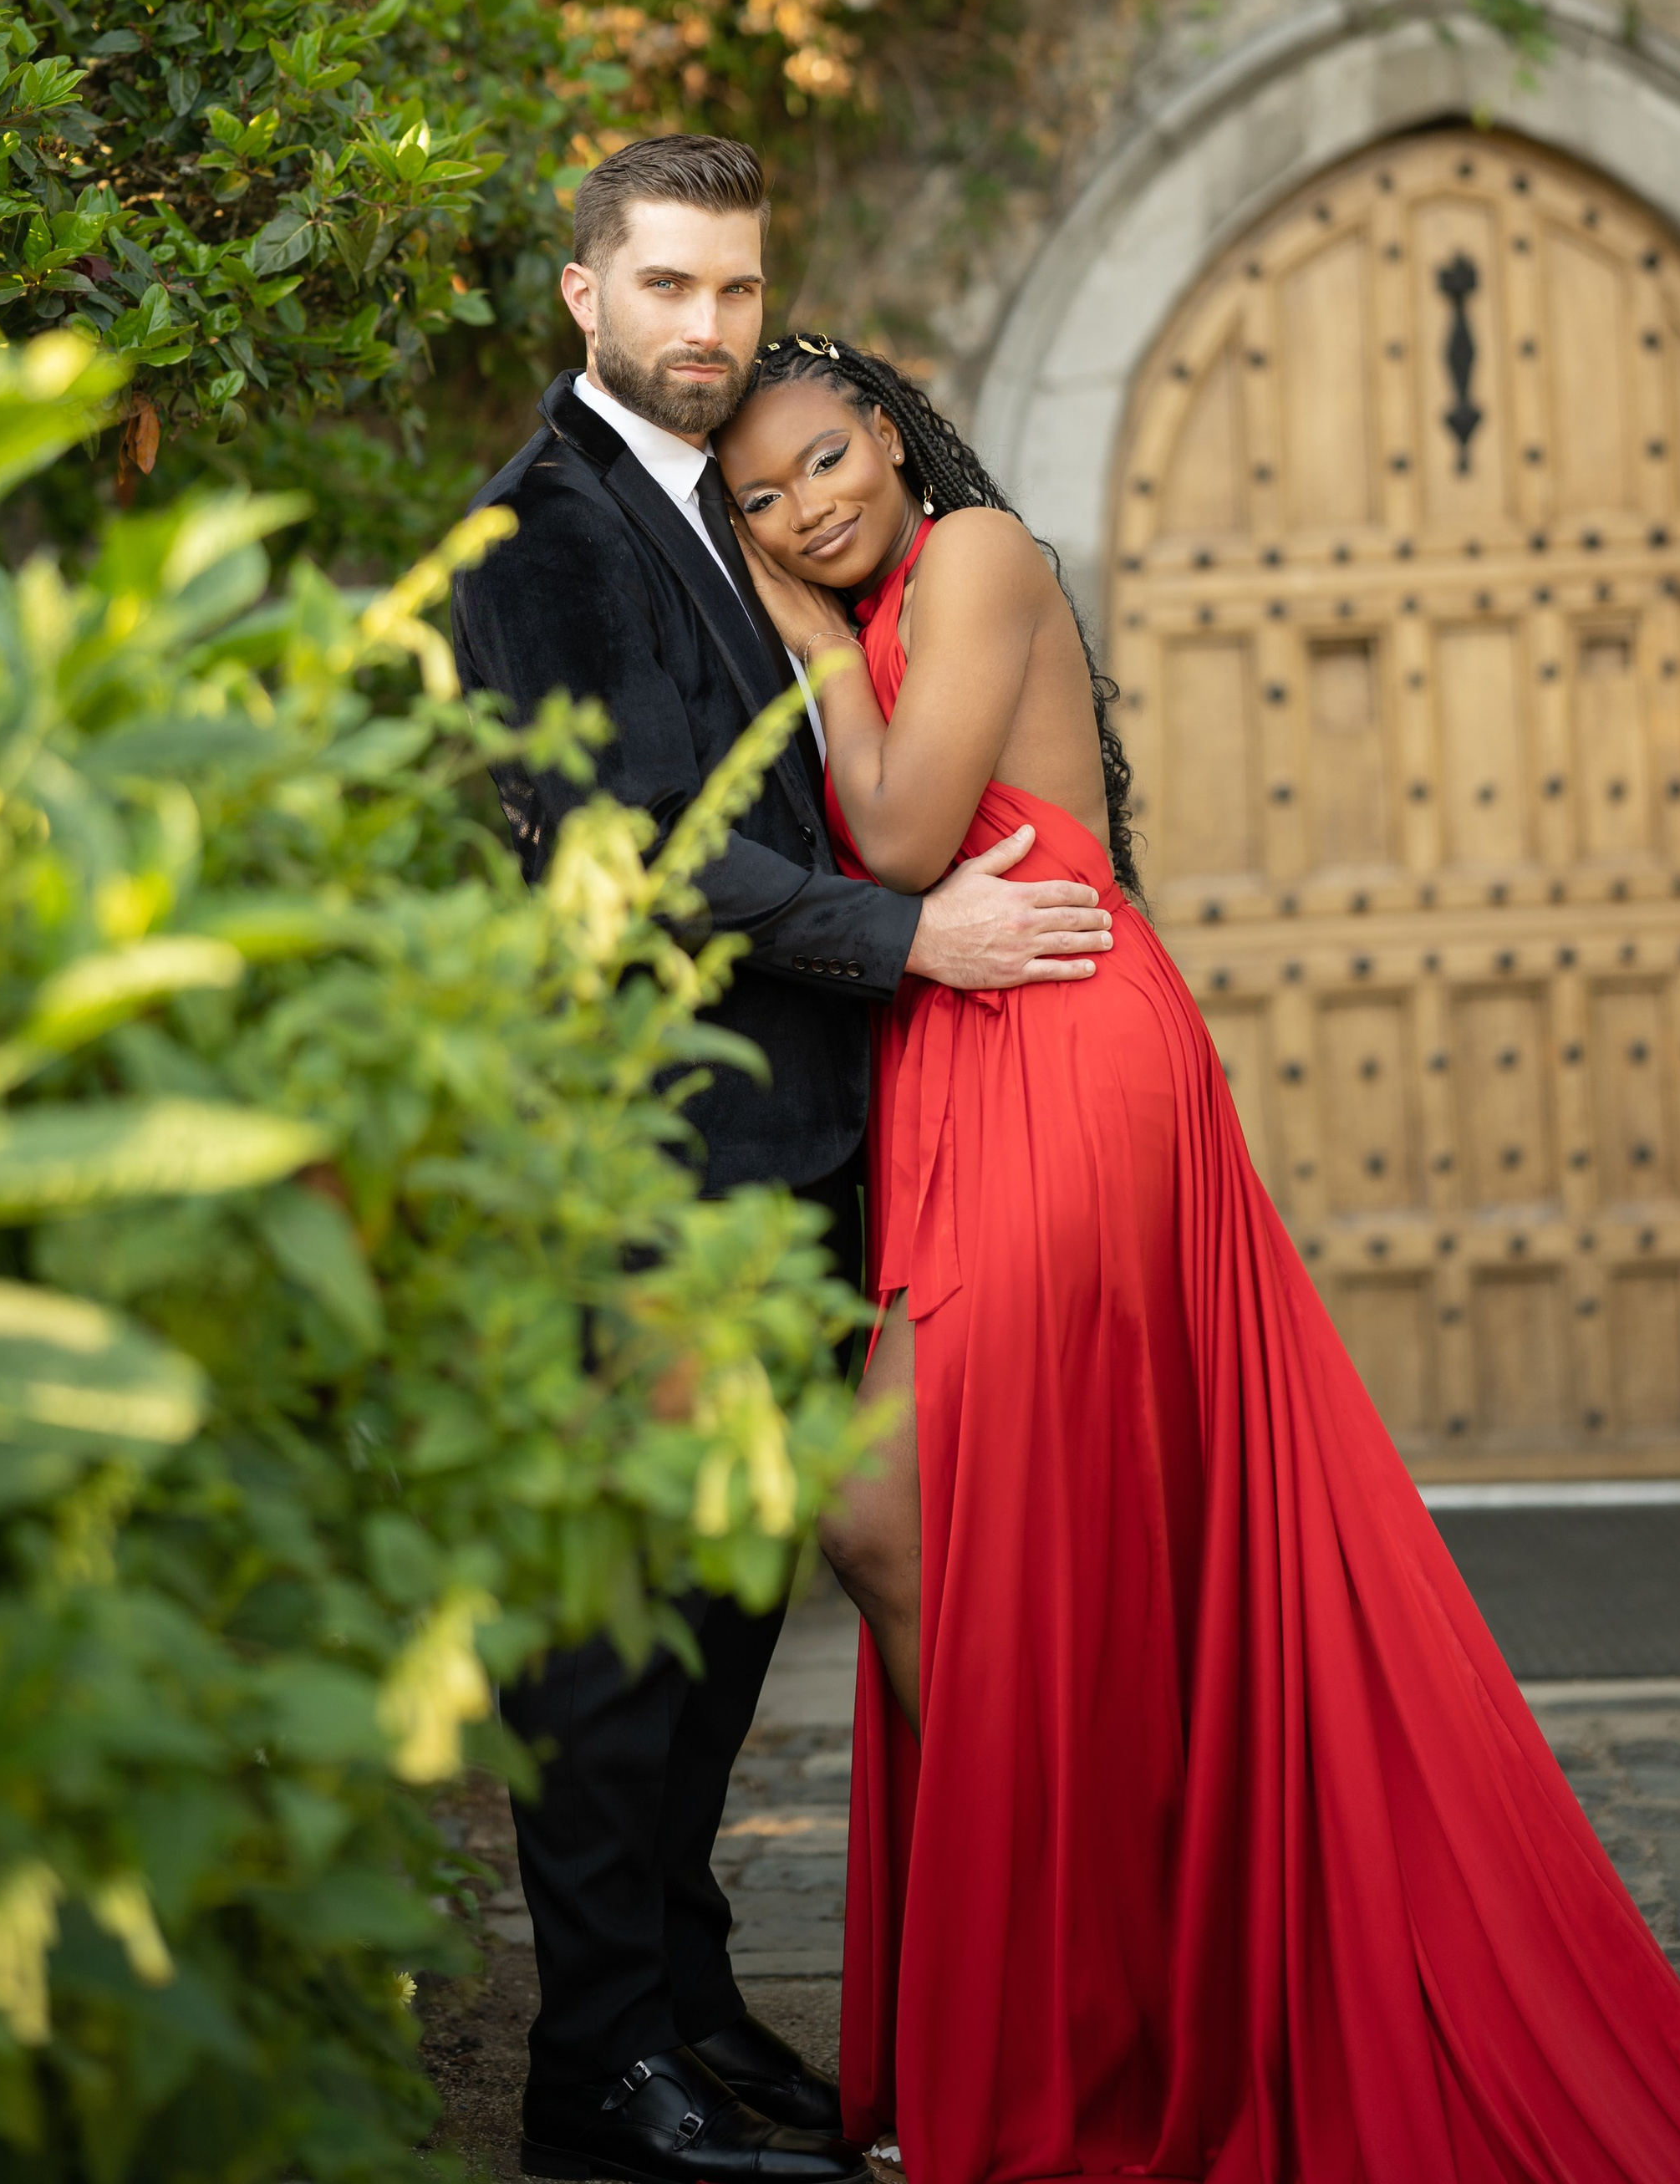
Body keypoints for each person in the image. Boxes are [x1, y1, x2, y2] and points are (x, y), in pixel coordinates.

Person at [715, 329, 1680, 2184]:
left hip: (1068, 1050)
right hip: (964, 1055)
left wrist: (797, 655)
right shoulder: (891, 594)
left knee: (894, 1516)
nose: (804, 509)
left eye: (823, 461)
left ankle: (1082, 2011)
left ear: (890, 427)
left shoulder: (977, 555)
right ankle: (1087, 1995)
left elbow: (903, 831)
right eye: (761, 497)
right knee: (975, 1540)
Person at [451, 138, 1116, 2184]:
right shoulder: (534, 536)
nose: (703, 327)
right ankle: (601, 2077)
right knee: (619, 1622)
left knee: (727, 1606)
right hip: (654, 1164)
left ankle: (686, 1996)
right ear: (584, 296)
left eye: (732, 290)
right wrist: (909, 935)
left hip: (809, 1157)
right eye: (663, 287)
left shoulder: (720, 514)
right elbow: (624, 849)